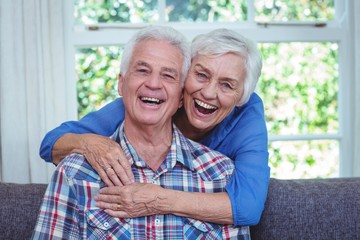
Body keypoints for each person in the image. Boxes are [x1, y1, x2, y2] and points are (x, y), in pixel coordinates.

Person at [32, 25, 249, 239]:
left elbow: (249, 206)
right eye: (143, 70)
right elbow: (50, 143)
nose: (153, 83)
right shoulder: (75, 173)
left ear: (181, 96)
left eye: (168, 75)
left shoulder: (221, 174)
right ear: (121, 84)